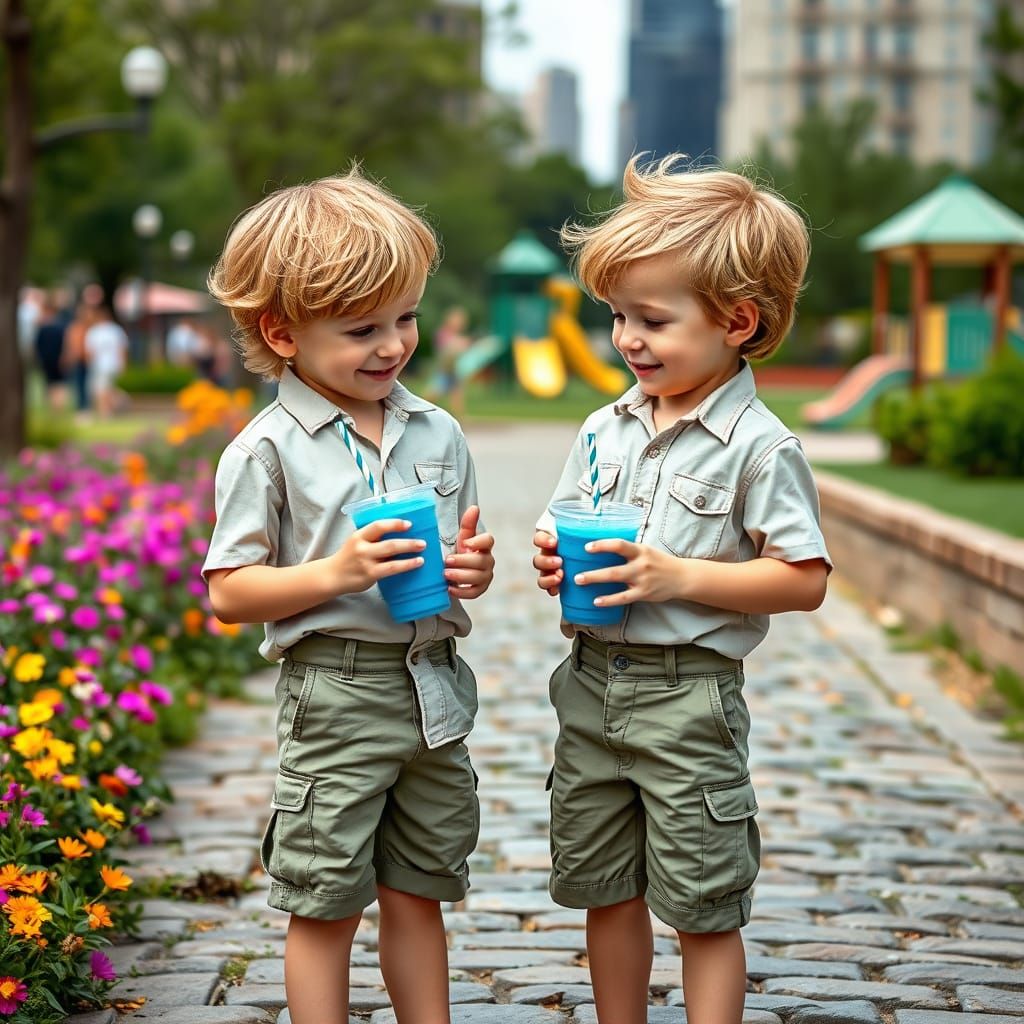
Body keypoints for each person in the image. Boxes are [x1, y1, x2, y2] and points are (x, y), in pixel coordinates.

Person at [532, 155, 832, 1024]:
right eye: (618, 315)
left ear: (736, 321)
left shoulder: (758, 448)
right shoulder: (603, 426)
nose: (627, 338)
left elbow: (803, 579)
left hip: (690, 699)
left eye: (652, 320)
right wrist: (553, 558)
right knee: (604, 884)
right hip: (590, 685)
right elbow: (562, 520)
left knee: (704, 901)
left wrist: (678, 576)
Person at [202, 169, 495, 1024]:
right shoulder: (266, 451)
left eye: (405, 318)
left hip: (434, 687)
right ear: (281, 334)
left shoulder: (437, 431)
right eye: (362, 328)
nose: (393, 345)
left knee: (420, 887)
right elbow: (229, 590)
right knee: (323, 896)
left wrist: (470, 570)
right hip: (335, 694)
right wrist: (336, 571)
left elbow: (460, 553)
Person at [83, 304, 129, 419]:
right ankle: (107, 410)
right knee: (106, 388)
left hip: (101, 365)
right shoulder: (116, 330)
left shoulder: (94, 331)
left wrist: (90, 364)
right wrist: (122, 363)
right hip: (112, 364)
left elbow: (90, 351)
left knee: (101, 389)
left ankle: (105, 412)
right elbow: (122, 349)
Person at [430, 306, 471, 417]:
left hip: (454, 371)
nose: (459, 325)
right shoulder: (443, 334)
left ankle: (459, 418)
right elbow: (448, 346)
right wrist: (460, 344)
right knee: (434, 394)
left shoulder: (457, 336)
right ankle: (421, 409)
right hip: (444, 370)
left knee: (457, 396)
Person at [33, 293, 69, 412]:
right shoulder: (59, 326)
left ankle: (56, 407)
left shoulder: (46, 327)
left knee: (54, 383)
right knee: (56, 383)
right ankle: (56, 407)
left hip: (51, 358)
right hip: (52, 358)